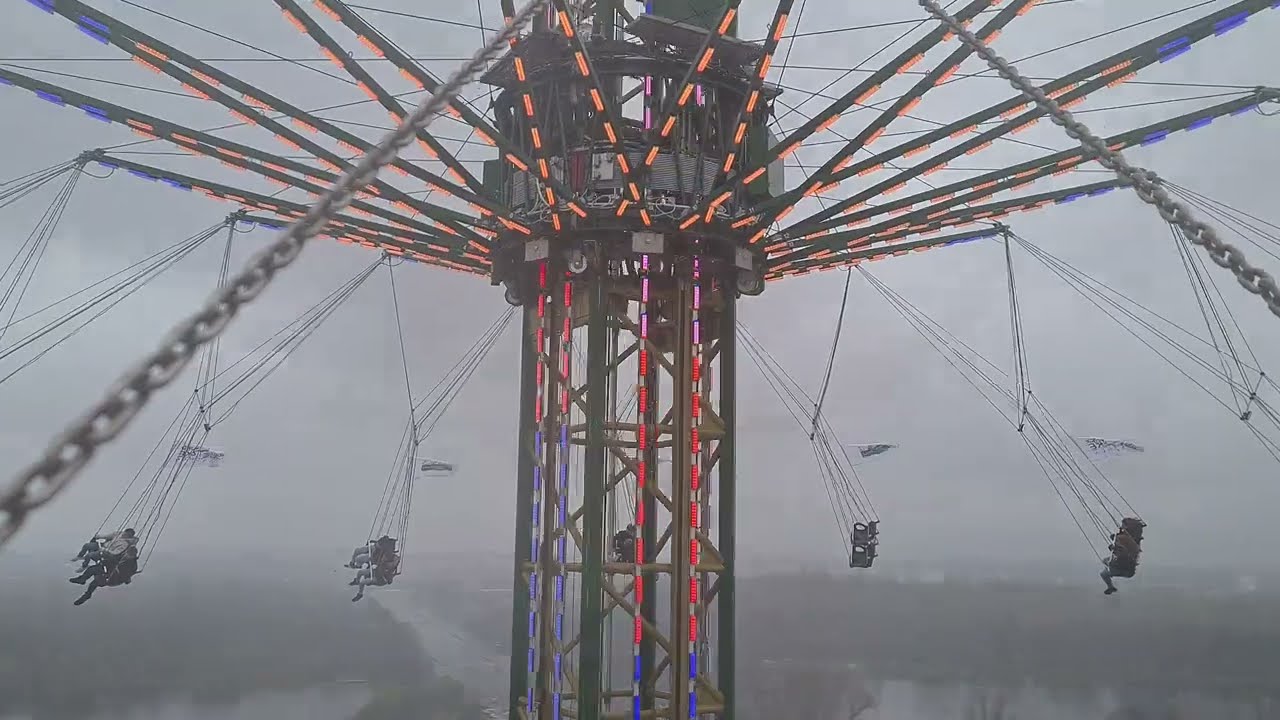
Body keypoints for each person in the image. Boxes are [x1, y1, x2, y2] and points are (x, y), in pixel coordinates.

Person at [69, 545, 140, 605]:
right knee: (91, 569)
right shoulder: (122, 557)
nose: (127, 555)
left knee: (95, 581)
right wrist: (105, 558)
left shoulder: (132, 565)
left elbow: (126, 574)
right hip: (109, 570)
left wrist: (126, 578)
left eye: (130, 555)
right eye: (127, 553)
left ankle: (87, 594)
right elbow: (113, 560)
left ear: (133, 555)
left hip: (114, 578)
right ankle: (82, 579)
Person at [1101, 529, 1141, 595]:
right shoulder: (1125, 543)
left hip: (1124, 571)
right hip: (1128, 570)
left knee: (1103, 573)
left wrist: (1109, 564)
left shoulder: (1120, 551)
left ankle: (1110, 587)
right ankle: (1110, 585)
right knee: (1105, 562)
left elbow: (1120, 557)